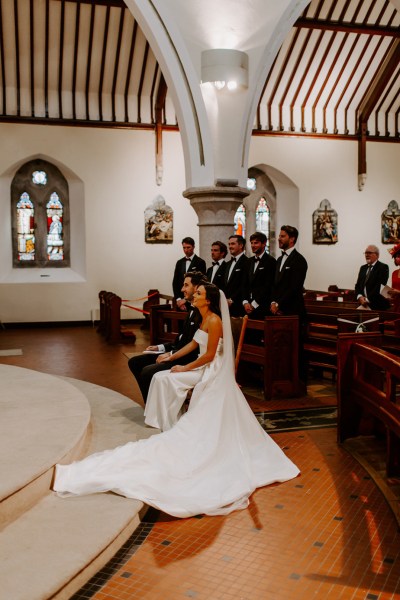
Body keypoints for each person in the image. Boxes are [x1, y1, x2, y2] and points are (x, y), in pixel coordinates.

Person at [53, 284, 299, 518]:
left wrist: (184, 368)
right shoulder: (203, 318)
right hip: (199, 365)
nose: (195, 295)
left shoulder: (214, 320)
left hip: (210, 370)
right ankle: (168, 419)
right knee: (165, 379)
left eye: (199, 292)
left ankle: (176, 421)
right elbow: (193, 343)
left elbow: (211, 355)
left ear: (209, 300)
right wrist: (172, 357)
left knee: (179, 392)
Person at [128, 271, 206, 402]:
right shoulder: (191, 309)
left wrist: (170, 355)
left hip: (186, 359)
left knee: (147, 372)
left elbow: (193, 346)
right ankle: (150, 404)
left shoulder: (202, 314)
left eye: (186, 285)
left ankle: (155, 406)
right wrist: (160, 347)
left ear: (197, 287)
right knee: (134, 362)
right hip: (177, 353)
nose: (182, 289)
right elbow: (180, 339)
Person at [270, 226, 308, 320]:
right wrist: (273, 302)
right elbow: (275, 284)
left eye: (282, 236)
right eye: (279, 236)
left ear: (292, 239)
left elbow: (294, 287)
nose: (279, 239)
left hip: (292, 310)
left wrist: (278, 304)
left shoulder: (299, 260)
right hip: (277, 310)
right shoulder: (279, 259)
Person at [243, 232, 276, 320]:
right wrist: (245, 302)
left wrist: (254, 304)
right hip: (247, 308)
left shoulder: (271, 261)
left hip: (262, 308)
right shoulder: (248, 262)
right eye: (252, 243)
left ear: (264, 243)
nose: (253, 245)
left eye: (256, 243)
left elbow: (268, 286)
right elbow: (244, 284)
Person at [172, 237, 206, 310]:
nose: (186, 250)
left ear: (193, 247)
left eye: (188, 247)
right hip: (180, 302)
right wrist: (178, 300)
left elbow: (200, 283)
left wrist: (186, 300)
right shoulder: (179, 262)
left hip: (194, 301)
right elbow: (175, 282)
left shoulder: (200, 262)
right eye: (184, 248)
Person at [355, 245, 390, 311]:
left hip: (377, 306)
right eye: (366, 253)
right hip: (364, 304)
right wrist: (359, 297)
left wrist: (367, 299)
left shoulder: (383, 267)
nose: (367, 255)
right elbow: (358, 286)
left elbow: (380, 286)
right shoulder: (363, 268)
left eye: (369, 253)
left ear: (377, 255)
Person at [223, 234, 249, 316]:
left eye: (233, 244)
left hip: (239, 306)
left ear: (241, 245)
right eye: (229, 244)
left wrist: (232, 300)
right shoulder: (227, 264)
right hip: (226, 307)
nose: (230, 246)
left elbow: (244, 284)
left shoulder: (247, 262)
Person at [387, 244, 400, 311]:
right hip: (396, 305)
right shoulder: (394, 273)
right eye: (396, 256)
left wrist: (398, 292)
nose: (397, 258)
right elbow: (393, 289)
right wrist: (390, 296)